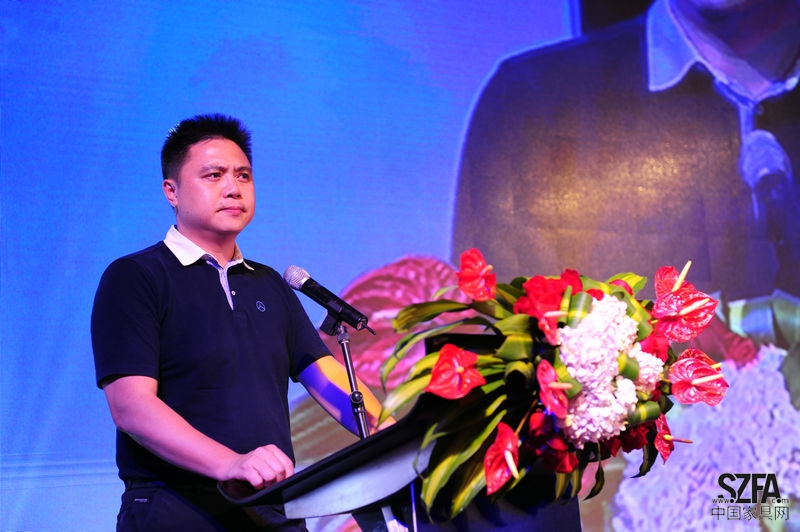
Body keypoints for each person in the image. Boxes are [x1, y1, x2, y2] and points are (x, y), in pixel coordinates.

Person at [91, 114, 387, 531]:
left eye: (243, 176)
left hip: (272, 508)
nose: (233, 188)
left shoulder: (269, 284)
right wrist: (231, 464)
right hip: (177, 510)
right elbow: (131, 407)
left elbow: (326, 377)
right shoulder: (137, 277)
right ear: (171, 191)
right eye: (214, 175)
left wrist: (398, 439)